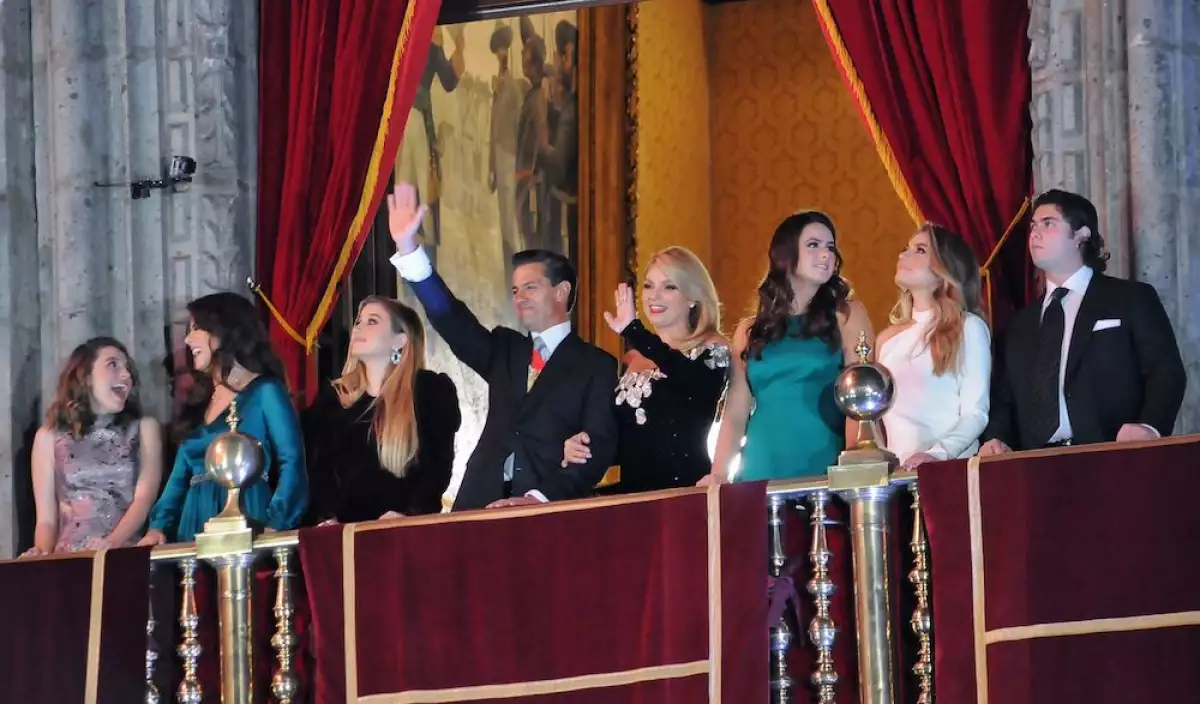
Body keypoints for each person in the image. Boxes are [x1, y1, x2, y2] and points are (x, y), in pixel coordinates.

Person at [387, 182, 618, 510]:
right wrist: (408, 248)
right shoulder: (505, 349)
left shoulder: (596, 365)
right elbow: (451, 319)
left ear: (561, 291)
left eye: (530, 287)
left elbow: (596, 449)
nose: (519, 297)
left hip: (545, 513)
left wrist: (537, 498)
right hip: (478, 504)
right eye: (514, 290)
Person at [981, 189, 1186, 454]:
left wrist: (1150, 426)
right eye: (1032, 226)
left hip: (1113, 456)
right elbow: (1005, 398)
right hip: (1035, 467)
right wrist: (997, 438)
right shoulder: (1019, 324)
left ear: (1082, 234)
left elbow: (1165, 370)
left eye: (1048, 223)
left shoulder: (1130, 298)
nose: (1035, 233)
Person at [703, 212, 873, 483]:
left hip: (826, 466)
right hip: (760, 468)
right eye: (813, 245)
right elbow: (736, 411)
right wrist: (718, 474)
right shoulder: (749, 331)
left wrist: (855, 461)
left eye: (830, 247)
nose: (826, 254)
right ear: (785, 254)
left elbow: (861, 399)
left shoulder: (847, 315)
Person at [139, 293, 308, 544]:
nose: (187, 339)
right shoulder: (197, 405)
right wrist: (157, 527)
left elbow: (292, 461)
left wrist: (275, 525)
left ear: (224, 330)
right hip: (193, 528)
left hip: (248, 520)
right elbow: (178, 480)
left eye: (196, 328)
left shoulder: (265, 392)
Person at [561, 247, 729, 492]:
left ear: (694, 297)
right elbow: (628, 438)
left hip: (684, 495)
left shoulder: (713, 347)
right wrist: (582, 445)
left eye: (669, 287)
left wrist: (635, 332)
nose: (654, 296)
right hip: (635, 496)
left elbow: (691, 385)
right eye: (649, 286)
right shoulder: (635, 359)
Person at [303, 296, 460, 523]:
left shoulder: (429, 391)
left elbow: (435, 468)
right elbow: (317, 473)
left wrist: (409, 515)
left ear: (400, 340)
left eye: (372, 321)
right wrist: (328, 518)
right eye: (358, 321)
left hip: (403, 531)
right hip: (345, 534)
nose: (359, 328)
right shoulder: (334, 399)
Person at [23, 338, 162, 555]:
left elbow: (143, 501)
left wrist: (111, 543)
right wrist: (40, 552)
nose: (126, 375)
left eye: (128, 369)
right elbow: (47, 521)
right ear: (85, 376)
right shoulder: (48, 437)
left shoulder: (144, 429)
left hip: (124, 554)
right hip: (69, 558)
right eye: (113, 365)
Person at [877, 224, 991, 467]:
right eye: (905, 249)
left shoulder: (968, 328)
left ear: (944, 269)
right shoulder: (886, 340)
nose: (902, 255)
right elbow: (873, 421)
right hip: (897, 477)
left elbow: (975, 413)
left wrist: (936, 454)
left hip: (948, 469)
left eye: (919, 250)